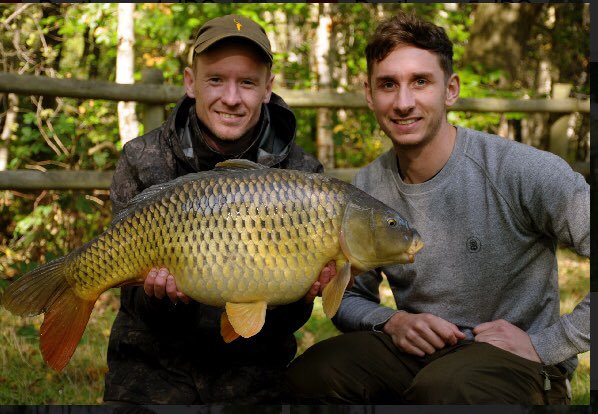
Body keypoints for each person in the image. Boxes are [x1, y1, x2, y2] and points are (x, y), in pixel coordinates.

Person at [284, 11, 589, 405]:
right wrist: (392, 320)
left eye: (421, 82)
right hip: (422, 357)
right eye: (388, 84)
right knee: (311, 373)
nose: (403, 102)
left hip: (518, 362)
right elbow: (346, 296)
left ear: (451, 89)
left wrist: (548, 343)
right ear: (369, 94)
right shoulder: (366, 189)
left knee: (446, 389)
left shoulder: (522, 171)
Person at [103, 14, 336, 404]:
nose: (231, 98)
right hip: (152, 365)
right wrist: (159, 297)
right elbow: (133, 302)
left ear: (268, 88)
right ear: (190, 82)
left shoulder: (304, 178)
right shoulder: (143, 158)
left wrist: (301, 294)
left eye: (247, 82)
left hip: (255, 370)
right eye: (216, 80)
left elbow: (289, 321)